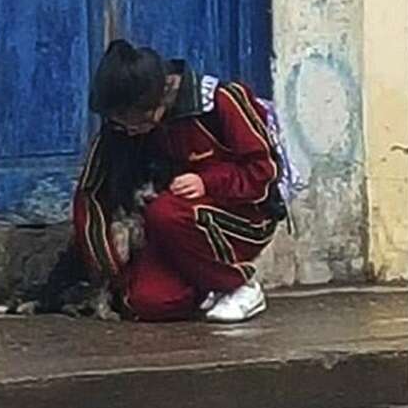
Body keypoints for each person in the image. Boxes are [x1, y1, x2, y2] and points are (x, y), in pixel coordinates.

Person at [72, 39, 286, 322]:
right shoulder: (122, 130)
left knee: (165, 211)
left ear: (154, 103)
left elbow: (264, 171)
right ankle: (204, 284)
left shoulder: (222, 102)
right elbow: (90, 195)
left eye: (130, 120)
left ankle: (237, 285)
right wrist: (112, 269)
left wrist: (207, 182)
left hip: (238, 217)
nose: (126, 129)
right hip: (167, 231)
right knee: (147, 302)